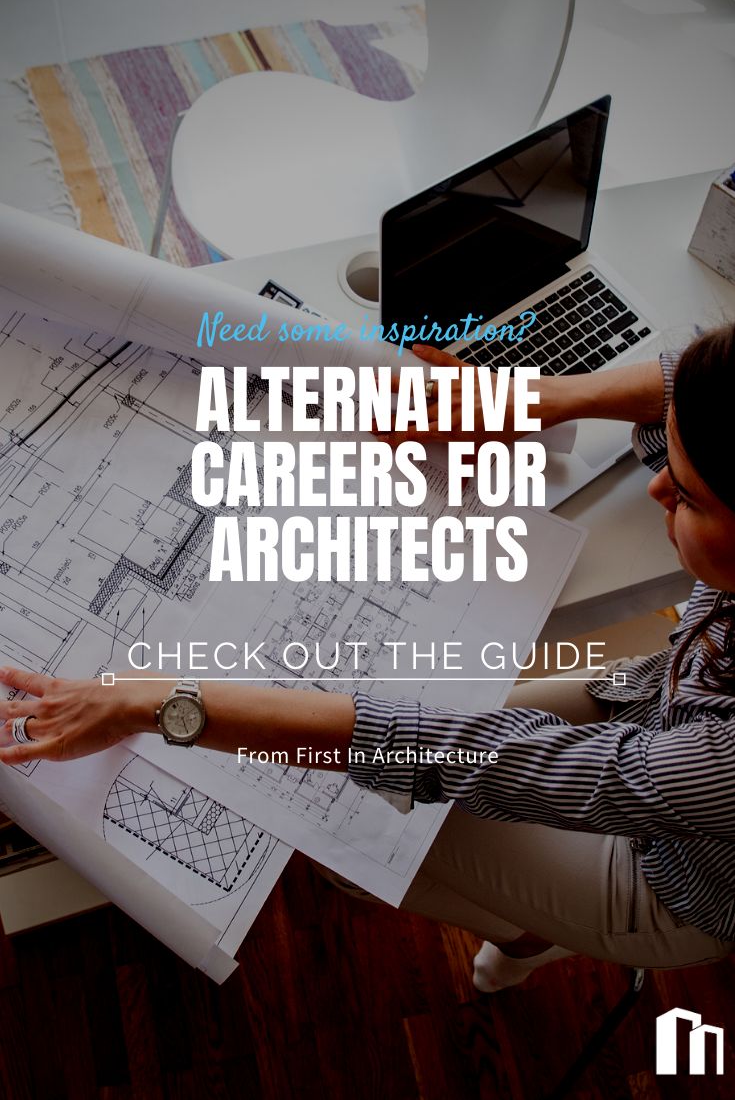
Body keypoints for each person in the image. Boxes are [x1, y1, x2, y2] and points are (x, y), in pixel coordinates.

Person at [2, 328, 734, 993]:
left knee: (350, 814)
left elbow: (458, 755)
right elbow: (691, 378)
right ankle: (523, 925)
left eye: (690, 496)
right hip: (645, 704)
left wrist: (152, 703)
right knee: (357, 790)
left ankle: (535, 932)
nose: (655, 485)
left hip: (668, 881)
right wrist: (525, 399)